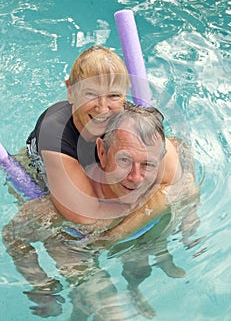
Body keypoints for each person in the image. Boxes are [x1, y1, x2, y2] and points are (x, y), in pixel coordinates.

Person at [2, 107, 199, 319]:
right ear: (102, 154)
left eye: (147, 164)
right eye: (124, 160)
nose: (136, 177)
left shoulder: (163, 173)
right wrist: (40, 284)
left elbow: (183, 156)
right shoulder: (73, 203)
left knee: (140, 264)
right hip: (72, 241)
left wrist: (190, 217)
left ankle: (134, 288)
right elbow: (12, 236)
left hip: (116, 233)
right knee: (109, 311)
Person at [26, 45, 182, 224]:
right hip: (45, 165)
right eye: (90, 94)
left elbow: (174, 175)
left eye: (114, 95)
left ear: (125, 94)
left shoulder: (125, 115)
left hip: (102, 162)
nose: (102, 108)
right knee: (48, 217)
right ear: (71, 91)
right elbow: (85, 217)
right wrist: (152, 201)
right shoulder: (55, 135)